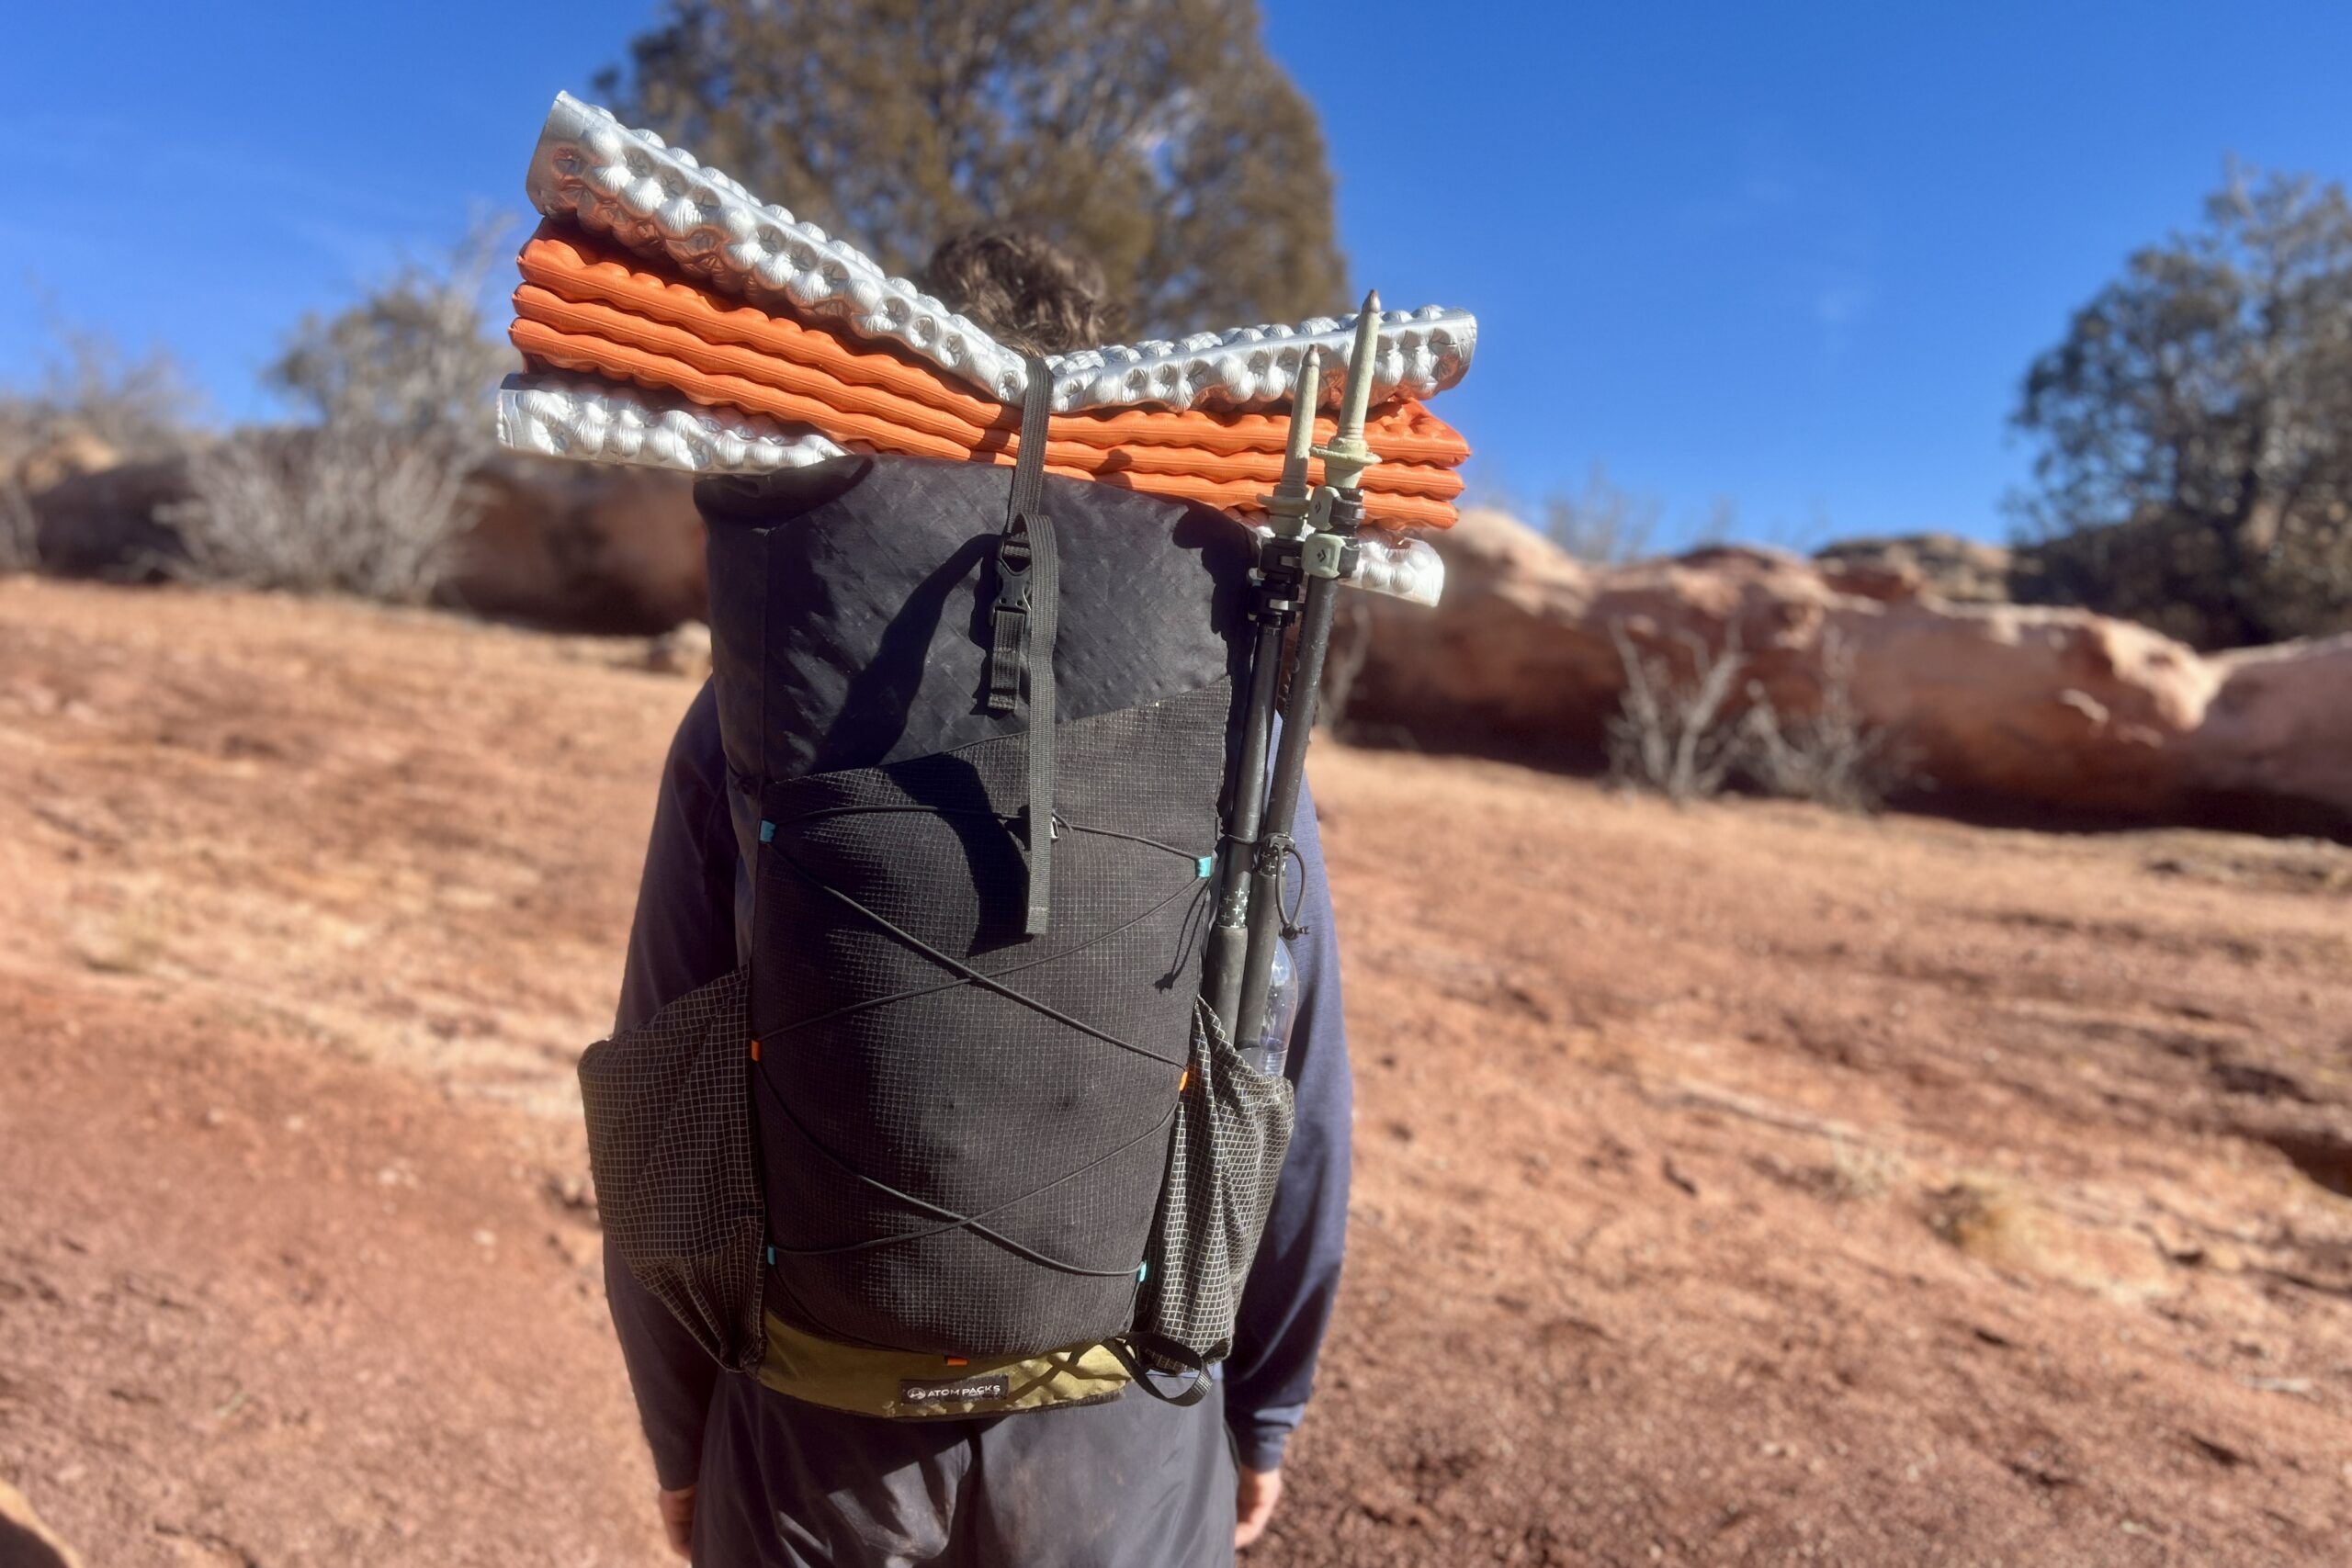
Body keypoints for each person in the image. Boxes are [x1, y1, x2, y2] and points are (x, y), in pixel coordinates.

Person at [601, 226, 1353, 1566]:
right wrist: (1266, 1412)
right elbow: (1290, 1096)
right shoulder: (1232, 740)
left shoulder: (755, 707)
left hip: (814, 1436)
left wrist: (681, 1432)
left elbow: (673, 1077)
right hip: (1126, 1435)